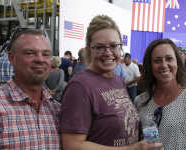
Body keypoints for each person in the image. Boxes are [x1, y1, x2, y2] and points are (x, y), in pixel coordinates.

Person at [60, 15, 162, 150]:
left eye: (114, 46)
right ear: (89, 49)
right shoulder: (80, 86)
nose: (108, 52)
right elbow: (72, 145)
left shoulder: (117, 80)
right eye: (100, 47)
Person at [0, 28, 61, 149]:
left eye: (46, 54)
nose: (40, 59)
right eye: (30, 53)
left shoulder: (57, 110)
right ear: (11, 58)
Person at [135, 38, 186, 150]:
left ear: (177, 63)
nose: (164, 65)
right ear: (150, 66)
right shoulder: (140, 101)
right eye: (157, 60)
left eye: (169, 58)